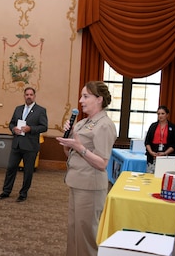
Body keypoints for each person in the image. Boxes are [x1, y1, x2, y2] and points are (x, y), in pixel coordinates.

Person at [56, 81, 117, 256]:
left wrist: (79, 147)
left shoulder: (104, 125)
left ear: (99, 99)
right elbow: (70, 154)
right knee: (75, 230)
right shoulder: (83, 123)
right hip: (77, 181)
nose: (81, 100)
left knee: (86, 235)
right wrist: (67, 142)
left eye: (86, 96)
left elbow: (102, 163)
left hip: (90, 185)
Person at [0, 87, 48, 202]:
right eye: (27, 94)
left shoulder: (40, 110)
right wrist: (13, 129)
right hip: (17, 144)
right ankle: (6, 191)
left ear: (34, 96)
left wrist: (30, 128)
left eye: (31, 94)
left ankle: (23, 193)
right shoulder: (18, 109)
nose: (29, 96)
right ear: (24, 96)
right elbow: (11, 123)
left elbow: (44, 127)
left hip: (30, 146)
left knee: (28, 171)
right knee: (10, 168)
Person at [144, 105, 175, 174]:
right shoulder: (153, 126)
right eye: (158, 114)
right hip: (153, 156)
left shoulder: (172, 127)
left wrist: (164, 153)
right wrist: (151, 152)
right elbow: (147, 142)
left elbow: (174, 144)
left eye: (162, 113)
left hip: (167, 157)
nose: (160, 116)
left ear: (167, 115)